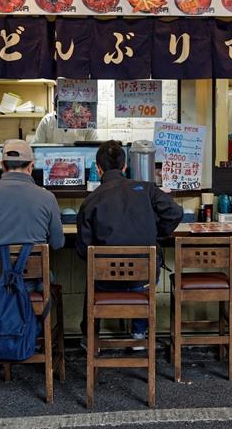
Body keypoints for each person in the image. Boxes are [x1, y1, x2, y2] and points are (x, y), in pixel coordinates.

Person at [76, 140, 183, 347]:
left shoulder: (90, 201)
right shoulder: (146, 189)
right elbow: (175, 213)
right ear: (125, 167)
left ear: (98, 169)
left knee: (93, 274)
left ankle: (90, 336)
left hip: (105, 281)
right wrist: (157, 234)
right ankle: (139, 333)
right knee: (142, 280)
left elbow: (83, 250)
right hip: (143, 275)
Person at [0, 138, 64, 253]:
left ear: (2, 166)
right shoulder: (47, 197)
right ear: (31, 166)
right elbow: (57, 243)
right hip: (37, 271)